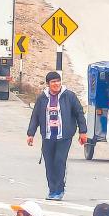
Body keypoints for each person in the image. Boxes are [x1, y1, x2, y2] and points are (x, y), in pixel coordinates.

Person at [26, 71, 87, 200]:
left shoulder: (69, 96)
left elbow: (79, 113)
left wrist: (83, 132)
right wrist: (30, 134)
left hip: (64, 136)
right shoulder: (42, 98)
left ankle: (59, 190)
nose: (56, 84)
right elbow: (35, 116)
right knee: (49, 163)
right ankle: (52, 189)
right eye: (53, 82)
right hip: (48, 136)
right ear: (48, 84)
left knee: (59, 161)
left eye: (58, 81)